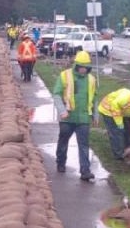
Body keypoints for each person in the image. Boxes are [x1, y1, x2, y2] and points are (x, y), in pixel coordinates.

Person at [52, 51, 98, 181]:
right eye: (81, 66)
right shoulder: (65, 76)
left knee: (84, 144)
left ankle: (85, 171)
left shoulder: (91, 79)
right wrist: (62, 111)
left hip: (83, 117)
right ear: (76, 65)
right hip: (68, 117)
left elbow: (94, 98)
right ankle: (61, 162)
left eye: (86, 67)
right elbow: (56, 94)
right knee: (63, 140)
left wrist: (95, 115)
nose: (83, 69)